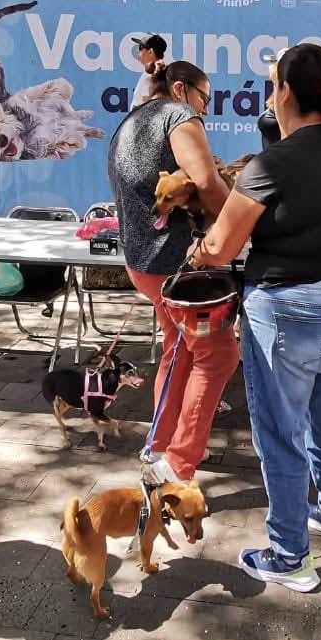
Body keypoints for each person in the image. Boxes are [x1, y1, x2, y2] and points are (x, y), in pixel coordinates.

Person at [190, 43, 321, 592]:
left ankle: (291, 554)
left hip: (293, 310)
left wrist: (200, 251)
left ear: (286, 92)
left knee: (280, 434)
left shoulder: (273, 164)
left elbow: (222, 247)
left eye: (274, 84)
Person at [107, 61, 238, 488]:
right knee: (218, 356)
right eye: (204, 97)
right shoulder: (178, 116)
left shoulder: (133, 119)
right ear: (181, 89)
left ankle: (160, 444)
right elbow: (208, 183)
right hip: (178, 268)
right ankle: (177, 463)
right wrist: (241, 226)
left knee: (179, 349)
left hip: (143, 263)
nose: (206, 108)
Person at [131, 33, 169, 108]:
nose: (138, 51)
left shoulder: (152, 74)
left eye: (141, 48)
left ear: (150, 52)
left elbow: (147, 105)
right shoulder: (161, 71)